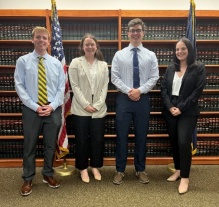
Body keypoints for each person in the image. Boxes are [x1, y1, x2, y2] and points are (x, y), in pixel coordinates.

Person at [14, 26, 65, 196]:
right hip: (31, 109)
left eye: (44, 38)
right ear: (32, 40)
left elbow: (60, 88)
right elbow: (19, 86)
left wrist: (51, 106)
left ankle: (47, 174)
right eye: (38, 37)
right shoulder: (23, 61)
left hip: (53, 109)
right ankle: (28, 178)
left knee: (50, 146)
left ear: (49, 42)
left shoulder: (56, 63)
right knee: (30, 145)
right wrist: (35, 106)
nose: (41, 40)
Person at [111, 18, 159, 184]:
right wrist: (129, 91)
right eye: (132, 30)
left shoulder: (151, 55)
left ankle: (140, 169)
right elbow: (114, 77)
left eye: (138, 30)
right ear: (128, 33)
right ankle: (120, 170)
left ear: (143, 33)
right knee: (121, 136)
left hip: (143, 100)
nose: (135, 33)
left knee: (141, 136)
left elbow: (154, 77)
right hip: (124, 100)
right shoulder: (119, 54)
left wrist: (140, 90)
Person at [160, 37, 206, 194]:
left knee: (183, 142)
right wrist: (170, 107)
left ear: (189, 50)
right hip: (170, 110)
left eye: (183, 49)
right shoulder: (171, 67)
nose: (179, 51)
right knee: (174, 142)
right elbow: (164, 89)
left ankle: (185, 178)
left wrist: (180, 107)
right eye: (177, 49)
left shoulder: (198, 67)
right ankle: (178, 170)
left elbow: (197, 92)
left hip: (188, 112)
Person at [68, 33, 109, 183]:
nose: (90, 47)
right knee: (82, 140)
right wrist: (86, 104)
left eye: (92, 44)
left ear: (96, 46)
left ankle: (96, 167)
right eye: (87, 44)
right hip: (80, 108)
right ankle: (83, 169)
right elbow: (75, 86)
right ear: (82, 47)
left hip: (99, 110)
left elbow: (105, 86)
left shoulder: (103, 65)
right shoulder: (75, 63)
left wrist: (97, 104)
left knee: (98, 140)